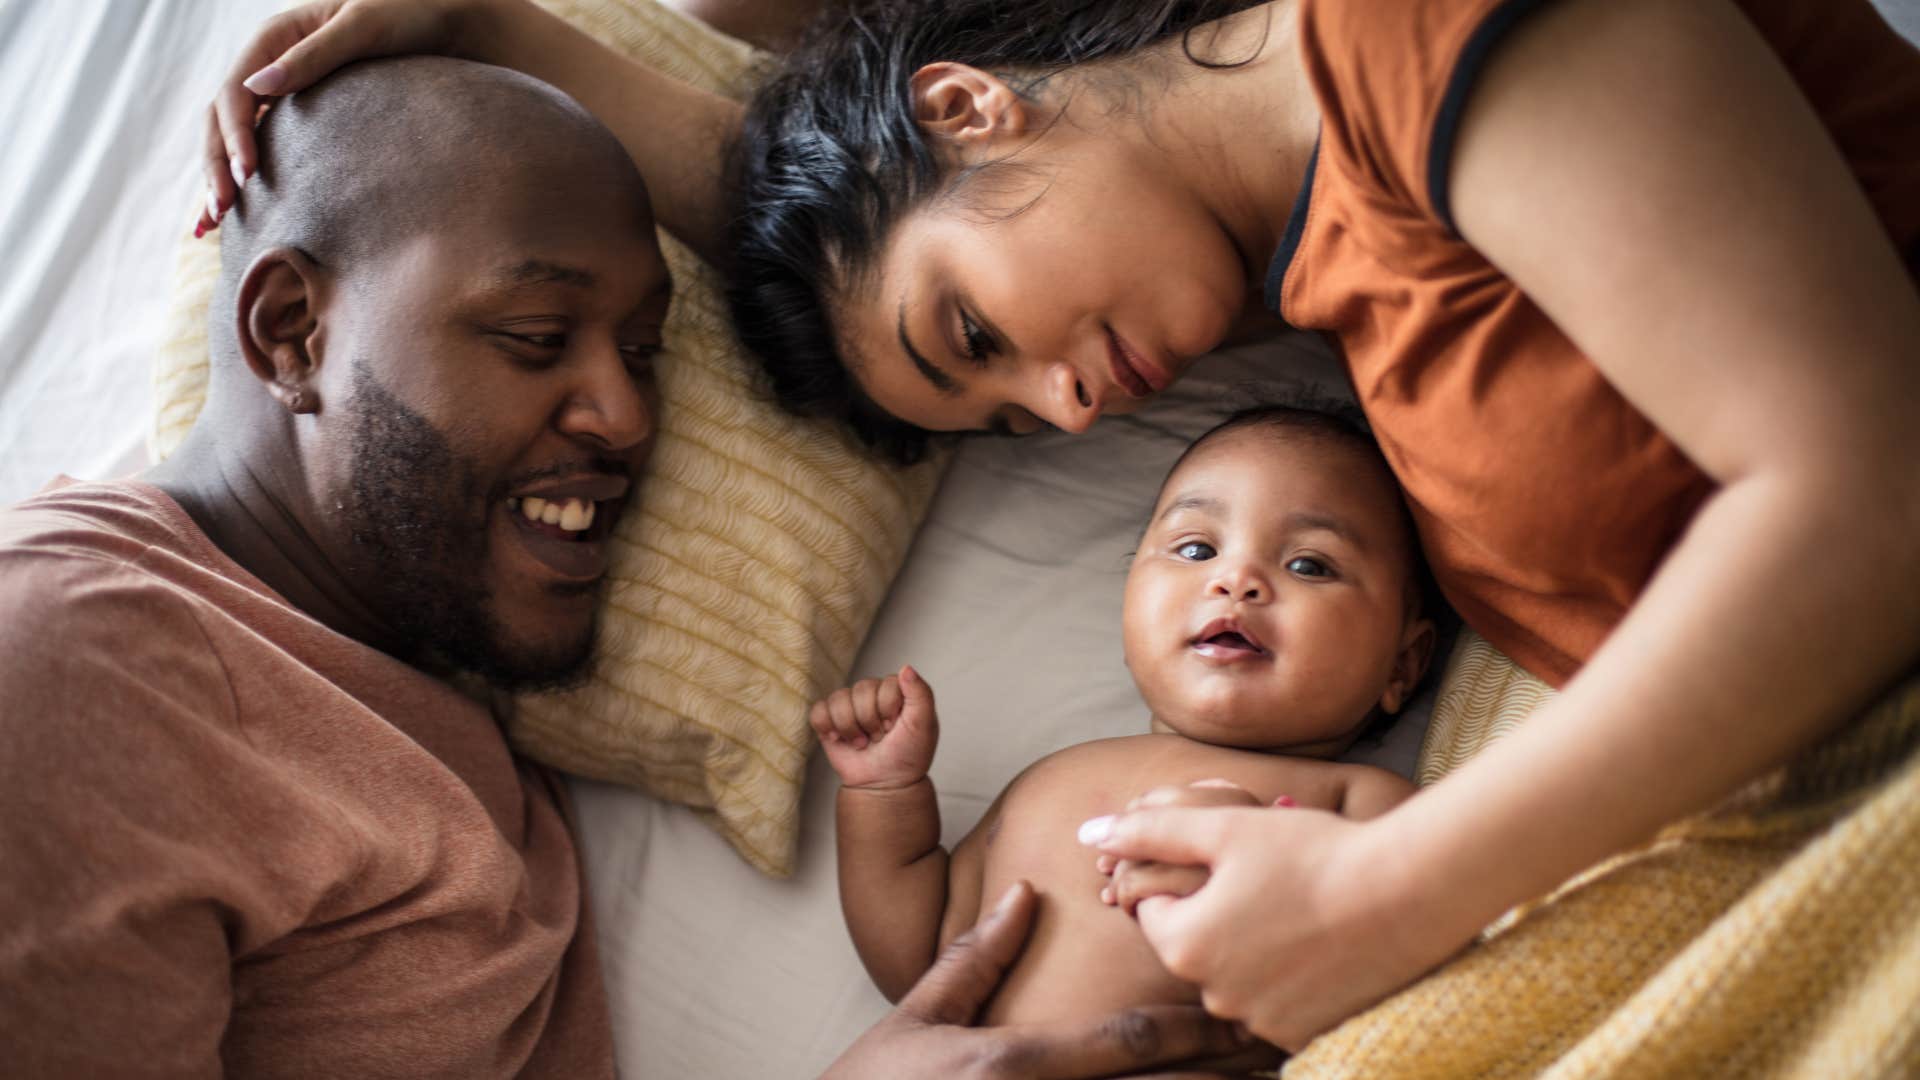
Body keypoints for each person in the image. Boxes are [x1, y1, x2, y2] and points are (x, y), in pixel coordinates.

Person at [201, 0, 1920, 1056]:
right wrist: (492, 26)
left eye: (983, 342)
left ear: (970, 104)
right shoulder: (1291, 249)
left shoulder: (1412, 32)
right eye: (1010, 413)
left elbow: (1873, 497)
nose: (1072, 410)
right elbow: (823, 193)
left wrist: (1398, 887)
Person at [0, 55, 1253, 1078]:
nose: (626, 416)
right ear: (292, 332)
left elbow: (883, 244)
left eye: (645, 353)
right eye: (538, 337)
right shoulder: (72, 657)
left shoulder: (404, 690)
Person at [811, 407, 1430, 1057]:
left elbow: (1409, 993)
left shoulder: (1364, 803)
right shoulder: (1050, 781)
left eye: (1310, 565)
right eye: (1196, 549)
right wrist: (884, 797)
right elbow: (919, 964)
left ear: (1403, 664)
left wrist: (1254, 887)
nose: (1234, 580)